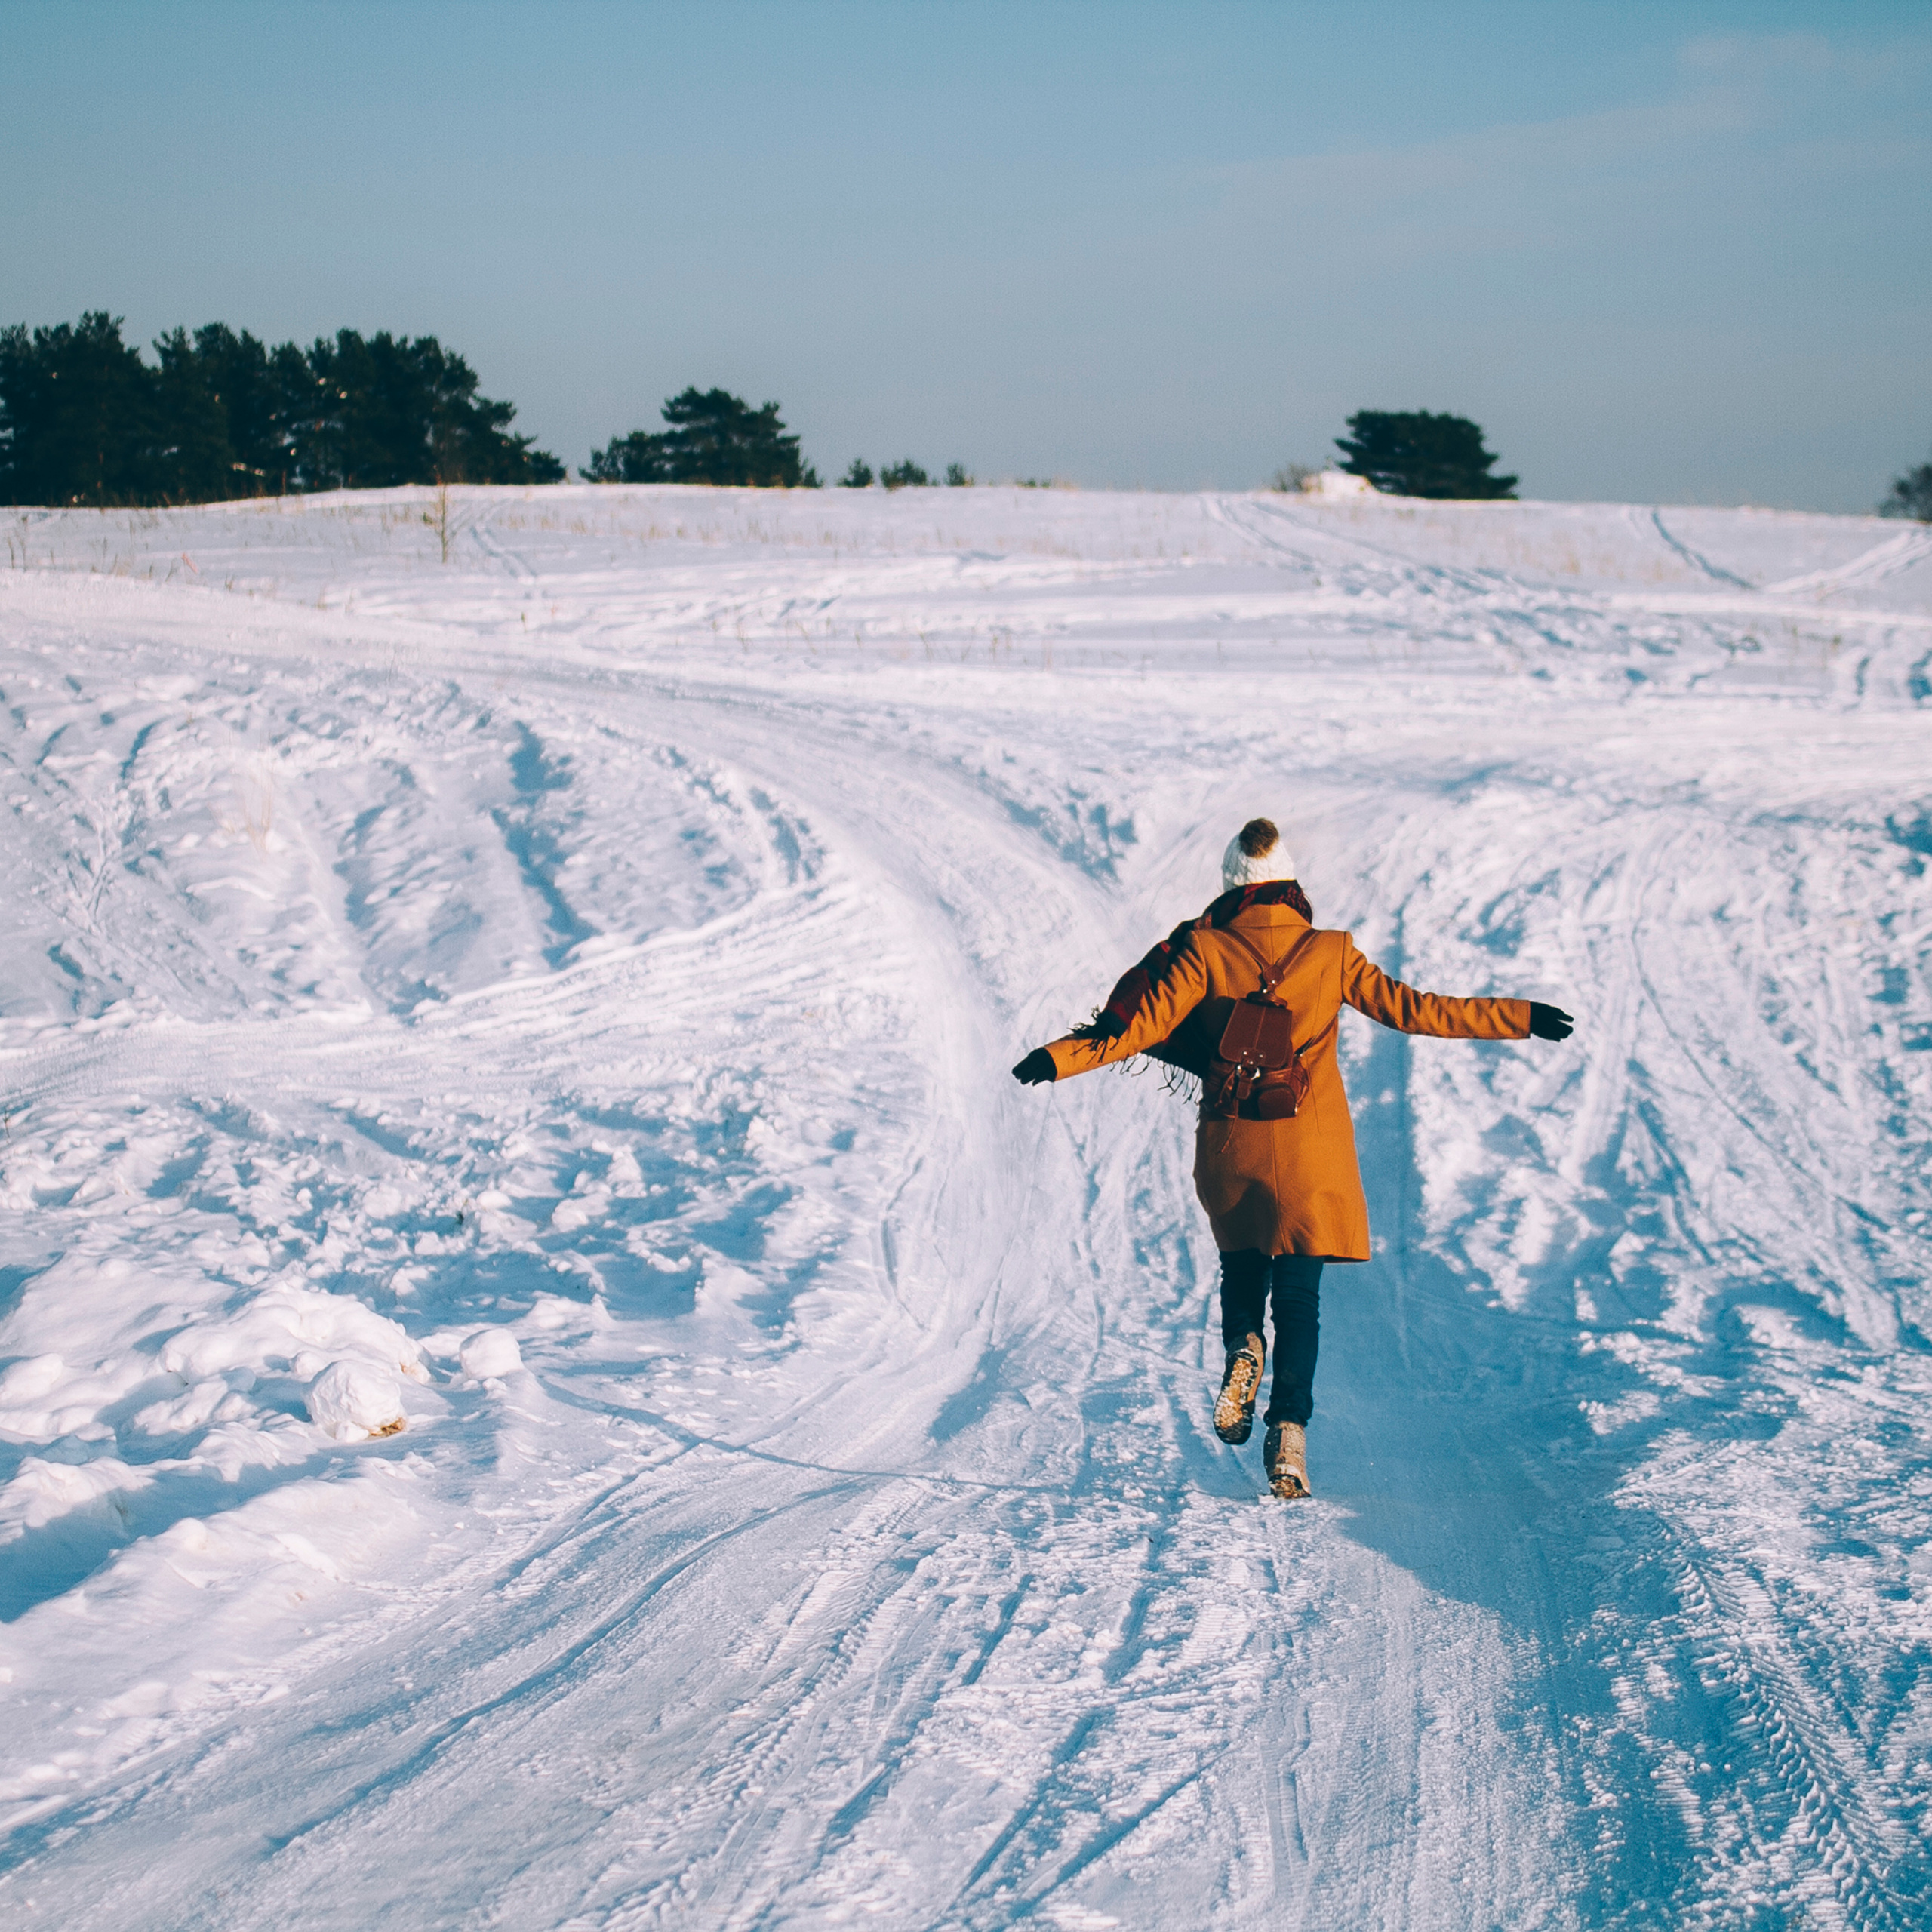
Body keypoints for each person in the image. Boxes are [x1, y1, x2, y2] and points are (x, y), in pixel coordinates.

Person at [1011, 817, 1574, 1500]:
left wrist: (1056, 1057)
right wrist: (1521, 1015)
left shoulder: (1204, 951)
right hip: (1311, 1156)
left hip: (1232, 1147)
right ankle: (1290, 1441)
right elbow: (1417, 1010)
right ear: (1289, 884)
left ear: (1230, 886)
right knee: (1301, 1301)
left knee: (1242, 1273)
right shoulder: (1330, 951)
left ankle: (1244, 1348)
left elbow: (1139, 1028)